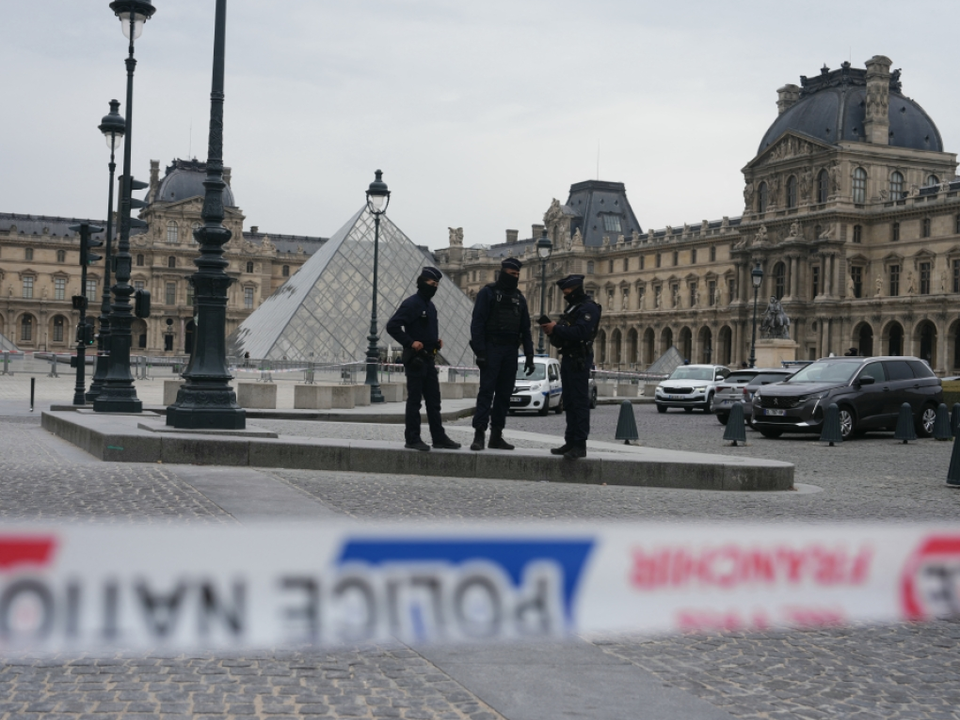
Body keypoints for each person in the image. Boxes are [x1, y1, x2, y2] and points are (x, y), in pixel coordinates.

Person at [385, 267, 461, 452]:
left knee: (434, 401)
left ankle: (438, 437)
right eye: (431, 283)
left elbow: (425, 330)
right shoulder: (411, 303)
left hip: (429, 358)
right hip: (416, 360)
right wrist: (410, 342)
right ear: (422, 282)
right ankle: (412, 438)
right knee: (415, 401)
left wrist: (436, 342)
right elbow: (392, 326)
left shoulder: (431, 306)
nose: (434, 287)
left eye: (436, 285)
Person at [469, 257, 535, 451]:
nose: (514, 277)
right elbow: (477, 324)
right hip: (492, 348)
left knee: (504, 395)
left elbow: (526, 329)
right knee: (486, 392)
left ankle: (496, 435)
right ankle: (479, 434)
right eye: (512, 274)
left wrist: (530, 356)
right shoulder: (487, 293)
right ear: (503, 272)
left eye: (517, 275)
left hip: (510, 351)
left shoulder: (519, 298)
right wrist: (480, 352)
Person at [541, 275, 601, 460]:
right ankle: (570, 441)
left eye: (567, 292)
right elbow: (566, 331)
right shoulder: (573, 307)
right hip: (568, 357)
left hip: (579, 358)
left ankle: (580, 444)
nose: (565, 295)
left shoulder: (589, 308)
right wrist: (552, 331)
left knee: (579, 402)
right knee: (569, 401)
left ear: (575, 289)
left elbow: (581, 332)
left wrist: (556, 328)